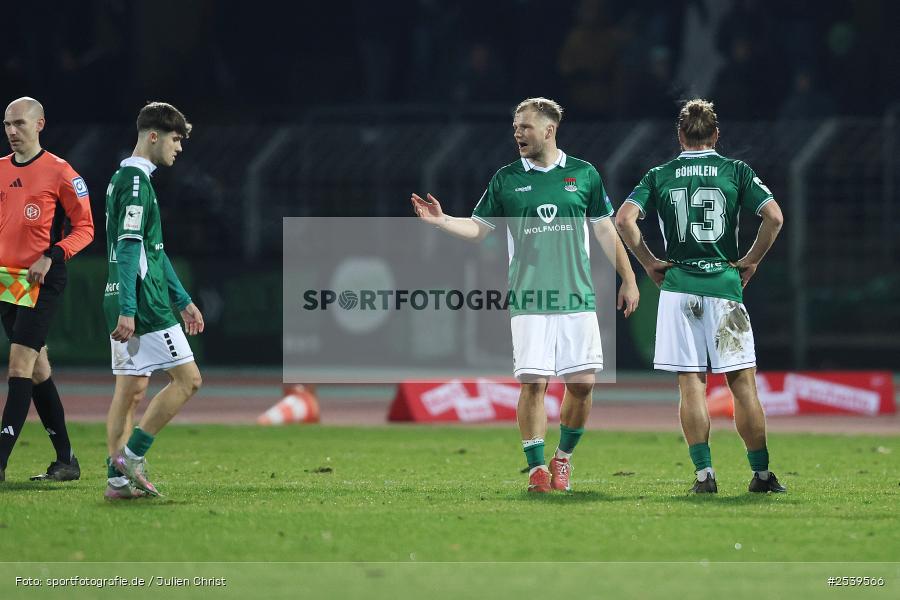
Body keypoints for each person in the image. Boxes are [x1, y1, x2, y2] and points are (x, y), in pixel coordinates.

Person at [412, 97, 639, 493]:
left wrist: (629, 279)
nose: (517, 132)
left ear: (549, 130)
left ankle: (562, 460)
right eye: (516, 126)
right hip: (530, 297)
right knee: (534, 383)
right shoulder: (506, 179)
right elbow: (480, 228)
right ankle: (537, 469)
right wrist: (442, 220)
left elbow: (605, 231)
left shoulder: (584, 174)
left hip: (577, 297)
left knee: (582, 384)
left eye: (526, 126)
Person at [615, 99, 786, 494]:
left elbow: (624, 218)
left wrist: (649, 261)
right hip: (725, 286)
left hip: (678, 288)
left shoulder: (660, 174)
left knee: (691, 384)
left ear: (679, 135)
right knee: (742, 385)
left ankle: (704, 476)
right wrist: (752, 261)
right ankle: (761, 475)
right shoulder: (735, 170)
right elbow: (774, 217)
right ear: (716, 134)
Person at [102, 102, 204, 499]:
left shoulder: (123, 178)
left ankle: (117, 482)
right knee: (189, 380)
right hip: (143, 303)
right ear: (154, 136)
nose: (179, 148)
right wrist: (130, 308)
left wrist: (183, 298)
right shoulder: (135, 184)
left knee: (129, 392)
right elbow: (130, 250)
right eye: (176, 139)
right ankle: (130, 458)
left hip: (128, 297)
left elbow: (152, 251)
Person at [0, 97, 94, 483]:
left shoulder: (61, 172)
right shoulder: (1, 170)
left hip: (40, 279)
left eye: (19, 124)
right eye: (6, 124)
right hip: (7, 279)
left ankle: (1, 462)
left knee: (19, 365)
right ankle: (66, 460)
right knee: (37, 369)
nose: (11, 132)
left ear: (40, 125)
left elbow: (85, 229)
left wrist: (52, 256)